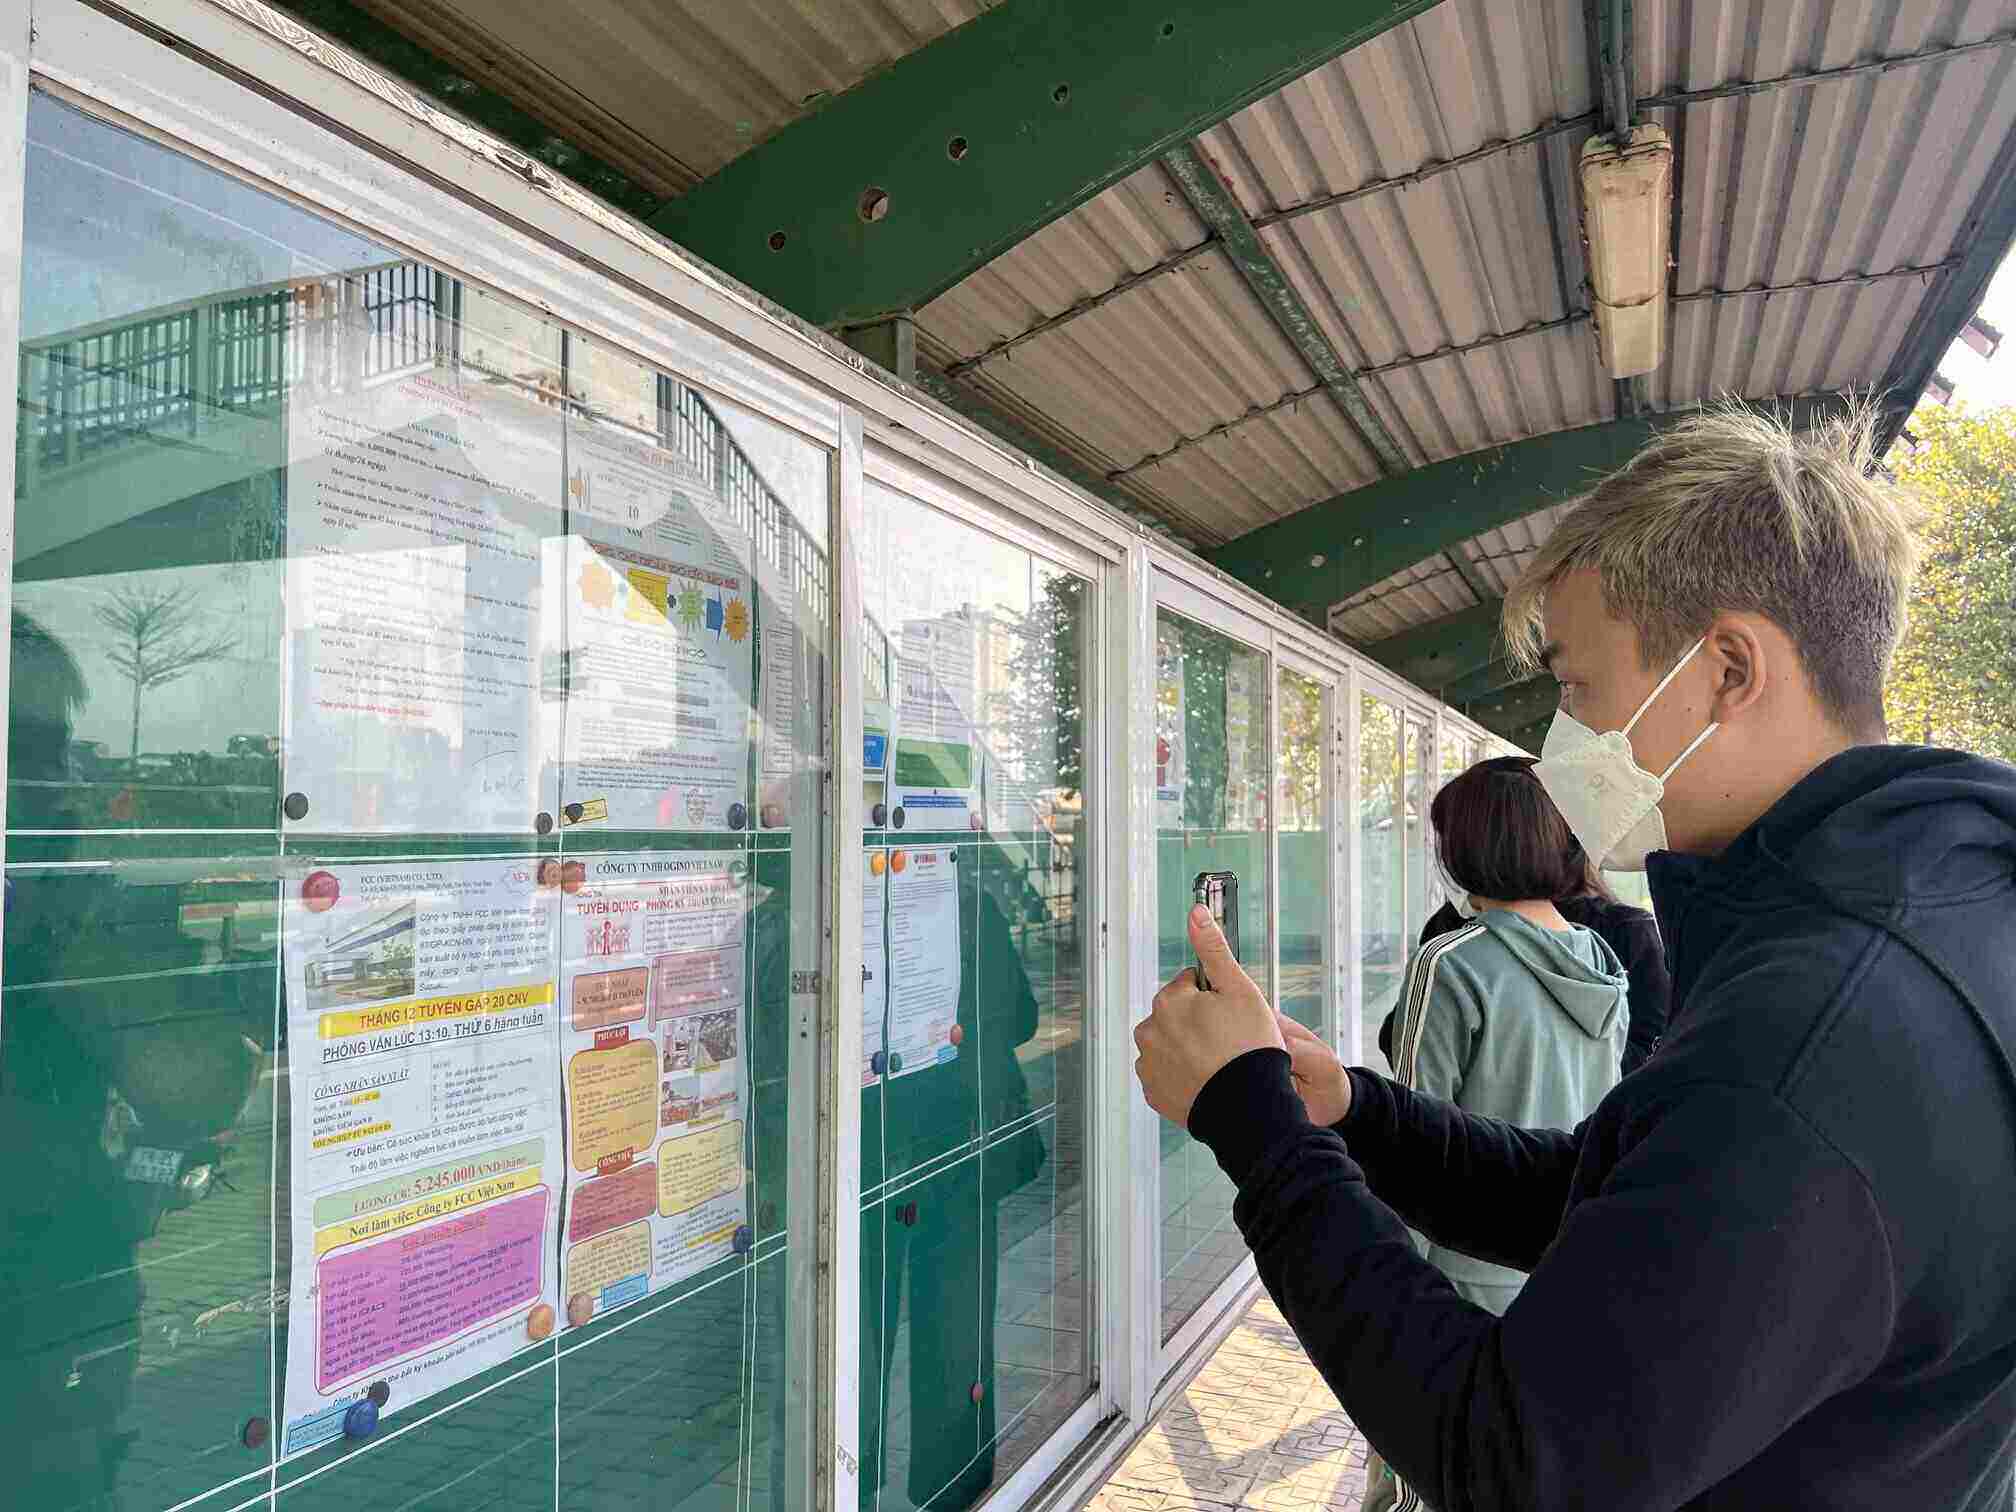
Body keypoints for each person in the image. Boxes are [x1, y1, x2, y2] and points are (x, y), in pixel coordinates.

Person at [1132, 402, 2016, 1509]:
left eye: (1576, 688)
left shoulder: (1813, 1041)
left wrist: (1250, 1124)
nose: (1562, 742)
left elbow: (1508, 1457)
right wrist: (1348, 1108)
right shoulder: (1918, 909)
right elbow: (1606, 1199)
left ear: (1728, 671)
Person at [1381, 814, 1671, 1078]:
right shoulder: (1618, 935)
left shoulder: (1624, 932)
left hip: (1493, 1129)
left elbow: (1412, 1064)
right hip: (1591, 1129)